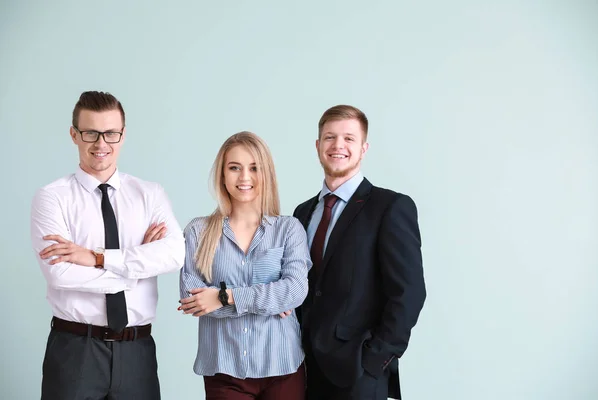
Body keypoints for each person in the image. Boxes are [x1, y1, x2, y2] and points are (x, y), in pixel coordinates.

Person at [30, 91, 185, 400]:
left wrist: (96, 258)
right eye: (91, 133)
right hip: (76, 351)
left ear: (123, 135)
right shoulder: (52, 198)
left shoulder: (149, 194)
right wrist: (135, 271)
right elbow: (61, 275)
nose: (101, 144)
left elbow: (174, 253)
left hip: (137, 352)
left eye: (111, 133)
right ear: (74, 134)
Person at [293, 105, 426, 400]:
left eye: (349, 138)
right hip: (303, 371)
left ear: (364, 148)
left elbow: (409, 293)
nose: (338, 145)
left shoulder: (389, 207)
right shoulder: (302, 213)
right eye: (329, 137)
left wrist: (375, 361)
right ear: (318, 146)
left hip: (358, 374)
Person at [178, 131, 310, 400]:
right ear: (222, 174)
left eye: (254, 168)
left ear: (267, 174)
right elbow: (195, 301)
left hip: (283, 367)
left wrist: (225, 297)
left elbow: (295, 290)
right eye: (234, 168)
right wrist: (269, 301)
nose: (244, 177)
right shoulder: (197, 232)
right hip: (224, 371)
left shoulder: (288, 229)